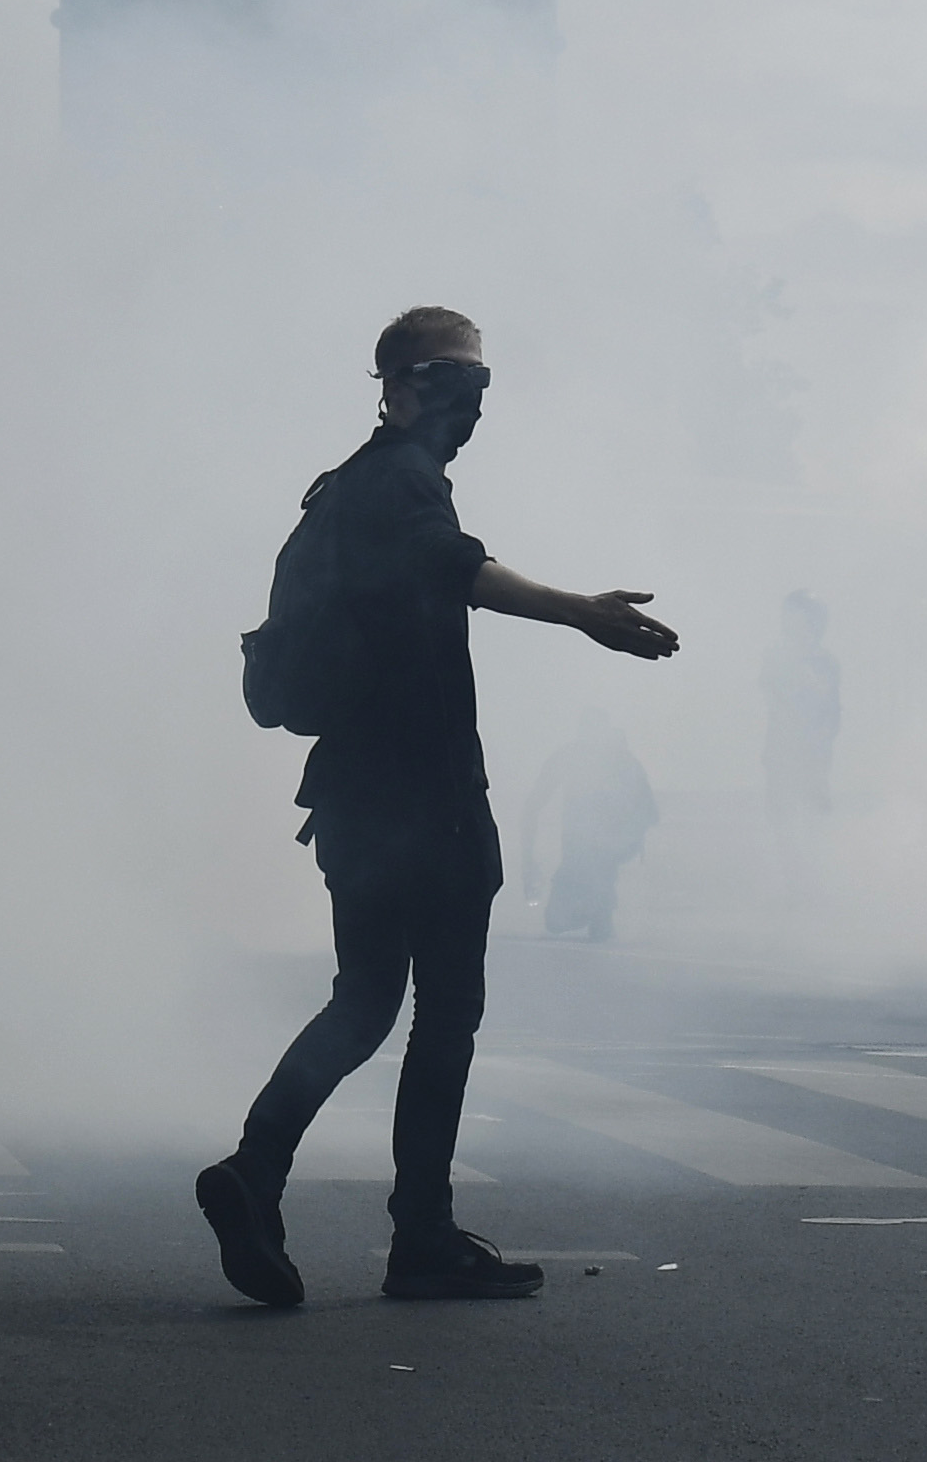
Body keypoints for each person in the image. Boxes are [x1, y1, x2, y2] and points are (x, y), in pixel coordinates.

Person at [200, 307, 677, 1311]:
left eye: (481, 395)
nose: (470, 415)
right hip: (426, 799)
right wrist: (584, 611)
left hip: (354, 796)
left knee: (367, 998)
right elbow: (461, 569)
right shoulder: (401, 484)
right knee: (445, 1011)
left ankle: (257, 1170)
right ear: (403, 389)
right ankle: (420, 1236)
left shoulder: (342, 491)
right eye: (456, 392)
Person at [530, 711, 658, 943]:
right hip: (578, 846)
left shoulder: (623, 762)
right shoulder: (570, 757)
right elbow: (535, 802)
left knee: (599, 881)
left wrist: (629, 836)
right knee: (556, 923)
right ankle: (596, 912)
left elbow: (649, 810)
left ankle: (601, 914)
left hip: (608, 845)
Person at [759, 593, 839, 824]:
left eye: (795, 618)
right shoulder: (776, 657)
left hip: (812, 753)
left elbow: (830, 711)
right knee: (781, 817)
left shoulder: (824, 662)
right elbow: (771, 699)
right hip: (781, 751)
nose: (787, 624)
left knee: (813, 815)